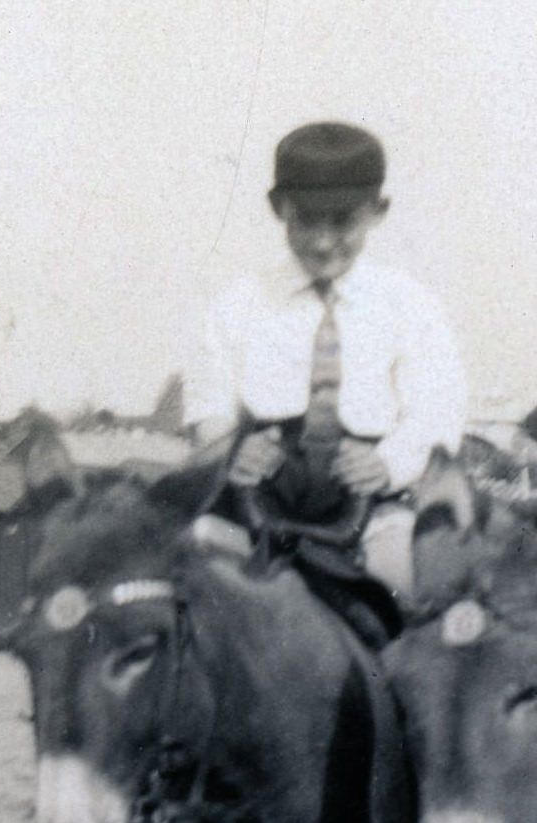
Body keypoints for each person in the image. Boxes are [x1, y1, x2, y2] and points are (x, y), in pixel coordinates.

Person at [187, 121, 468, 600]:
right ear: (279, 209)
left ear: (377, 212)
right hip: (255, 503)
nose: (321, 242)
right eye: (305, 220)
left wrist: (387, 463)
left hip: (370, 506)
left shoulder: (408, 305)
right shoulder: (238, 304)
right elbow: (208, 404)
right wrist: (231, 450)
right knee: (190, 583)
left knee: (404, 585)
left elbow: (438, 412)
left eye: (342, 221)